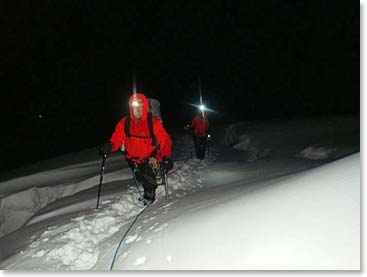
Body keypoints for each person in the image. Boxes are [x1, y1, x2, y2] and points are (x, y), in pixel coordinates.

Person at [99, 93, 173, 202]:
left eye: (140, 108)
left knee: (148, 175)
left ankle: (149, 197)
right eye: (134, 108)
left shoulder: (153, 123)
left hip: (151, 157)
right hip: (132, 159)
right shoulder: (125, 122)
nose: (137, 111)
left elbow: (165, 140)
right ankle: (147, 188)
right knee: (140, 177)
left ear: (145, 108)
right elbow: (117, 139)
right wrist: (110, 146)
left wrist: (166, 156)